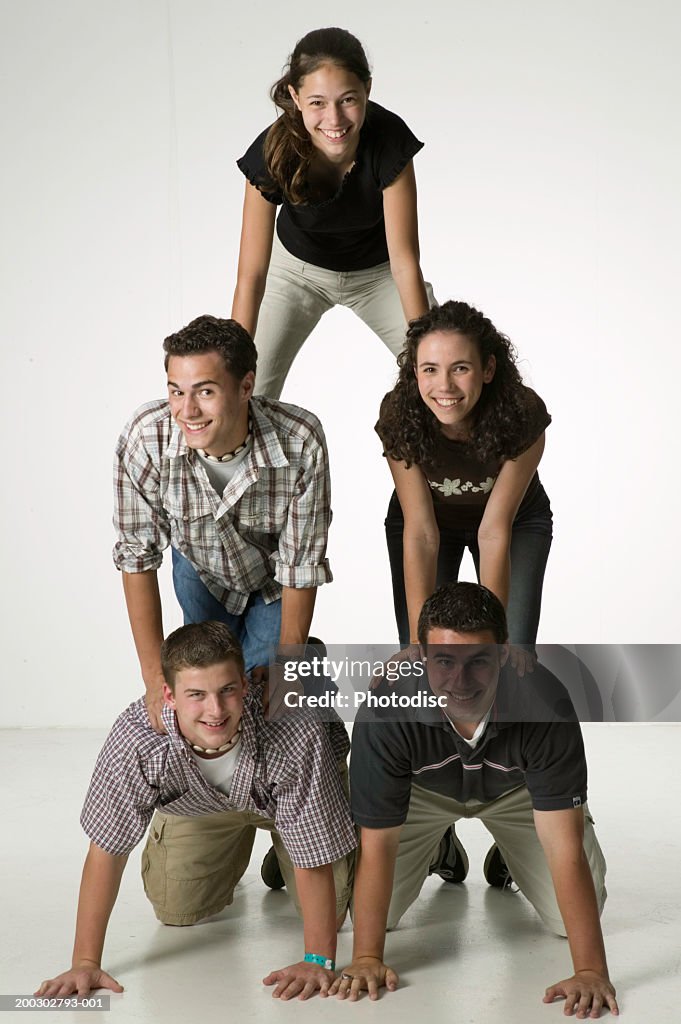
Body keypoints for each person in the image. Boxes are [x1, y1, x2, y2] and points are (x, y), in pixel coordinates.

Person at [333, 583, 618, 1017]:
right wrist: (368, 958)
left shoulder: (545, 701)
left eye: (478, 662)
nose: (460, 682)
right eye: (444, 661)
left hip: (517, 794)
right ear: (422, 656)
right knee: (377, 918)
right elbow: (377, 845)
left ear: (503, 654)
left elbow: (564, 850)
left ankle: (514, 853)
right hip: (422, 795)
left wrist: (592, 970)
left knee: (574, 919)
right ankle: (439, 844)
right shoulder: (387, 705)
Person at [35, 622, 357, 1001]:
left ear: (245, 684)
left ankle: (287, 843)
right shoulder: (137, 739)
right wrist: (85, 961)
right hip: (199, 806)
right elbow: (107, 849)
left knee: (332, 915)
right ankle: (249, 844)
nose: (215, 710)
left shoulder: (292, 728)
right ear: (168, 695)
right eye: (196, 695)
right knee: (176, 909)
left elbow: (315, 855)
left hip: (284, 796)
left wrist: (318, 960)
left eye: (227, 690)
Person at [113, 314, 332, 733]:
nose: (187, 410)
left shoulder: (300, 439)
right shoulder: (146, 437)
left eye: (206, 392)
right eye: (176, 392)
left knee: (265, 699)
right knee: (210, 697)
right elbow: (137, 558)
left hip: (272, 581)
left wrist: (289, 666)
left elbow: (301, 565)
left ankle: (307, 664)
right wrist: (155, 677)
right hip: (201, 573)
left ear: (246, 386)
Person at [231, 26, 434, 400]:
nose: (335, 119)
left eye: (348, 100)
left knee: (440, 375)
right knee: (246, 391)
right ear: (295, 96)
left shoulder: (389, 140)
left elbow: (405, 262)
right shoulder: (270, 153)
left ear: (368, 90)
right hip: (295, 273)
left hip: (379, 275)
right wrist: (233, 365)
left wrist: (428, 358)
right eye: (318, 103)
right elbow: (252, 275)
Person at [376, 300, 553, 659]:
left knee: (513, 652)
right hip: (426, 523)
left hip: (514, 522)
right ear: (414, 371)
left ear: (487, 368)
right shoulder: (399, 415)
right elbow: (422, 532)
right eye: (429, 369)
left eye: (460, 368)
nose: (444, 386)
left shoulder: (523, 414)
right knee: (426, 650)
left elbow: (494, 530)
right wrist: (414, 643)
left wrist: (497, 640)